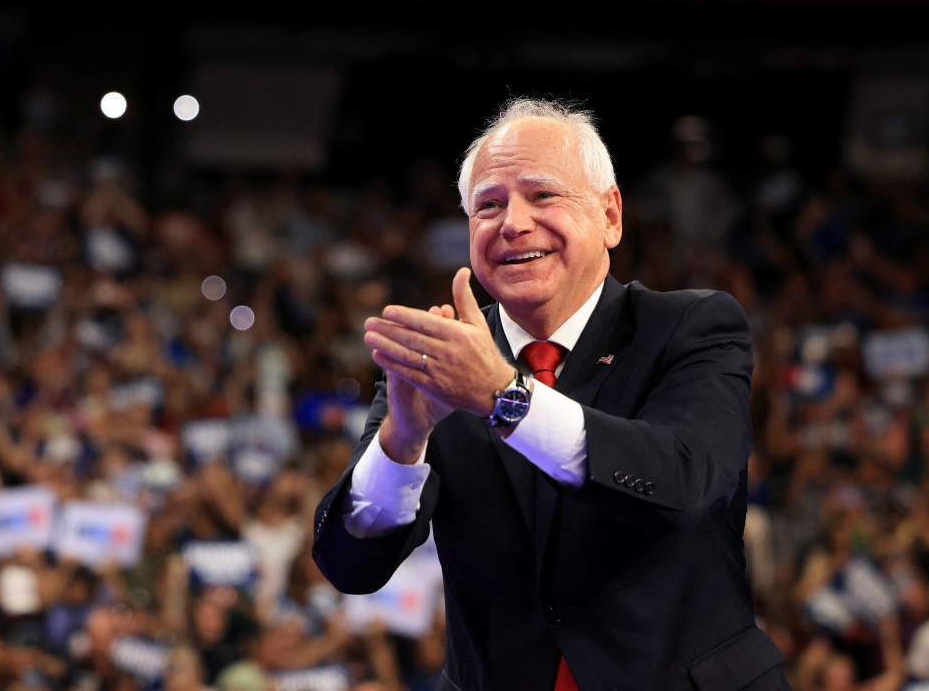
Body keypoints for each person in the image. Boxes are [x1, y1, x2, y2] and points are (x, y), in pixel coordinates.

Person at [311, 99, 788, 691]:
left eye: (542, 195)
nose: (512, 222)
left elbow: (682, 485)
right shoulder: (444, 355)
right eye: (489, 204)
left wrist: (502, 396)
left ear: (610, 216)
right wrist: (402, 442)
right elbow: (351, 566)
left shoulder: (692, 327)